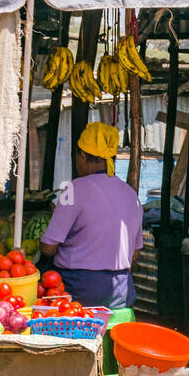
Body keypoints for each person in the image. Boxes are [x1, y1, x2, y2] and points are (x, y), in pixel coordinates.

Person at [39, 122, 143, 310]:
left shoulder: (74, 189)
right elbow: (135, 254)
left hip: (79, 290)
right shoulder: (131, 194)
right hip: (122, 292)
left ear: (83, 156)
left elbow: (48, 248)